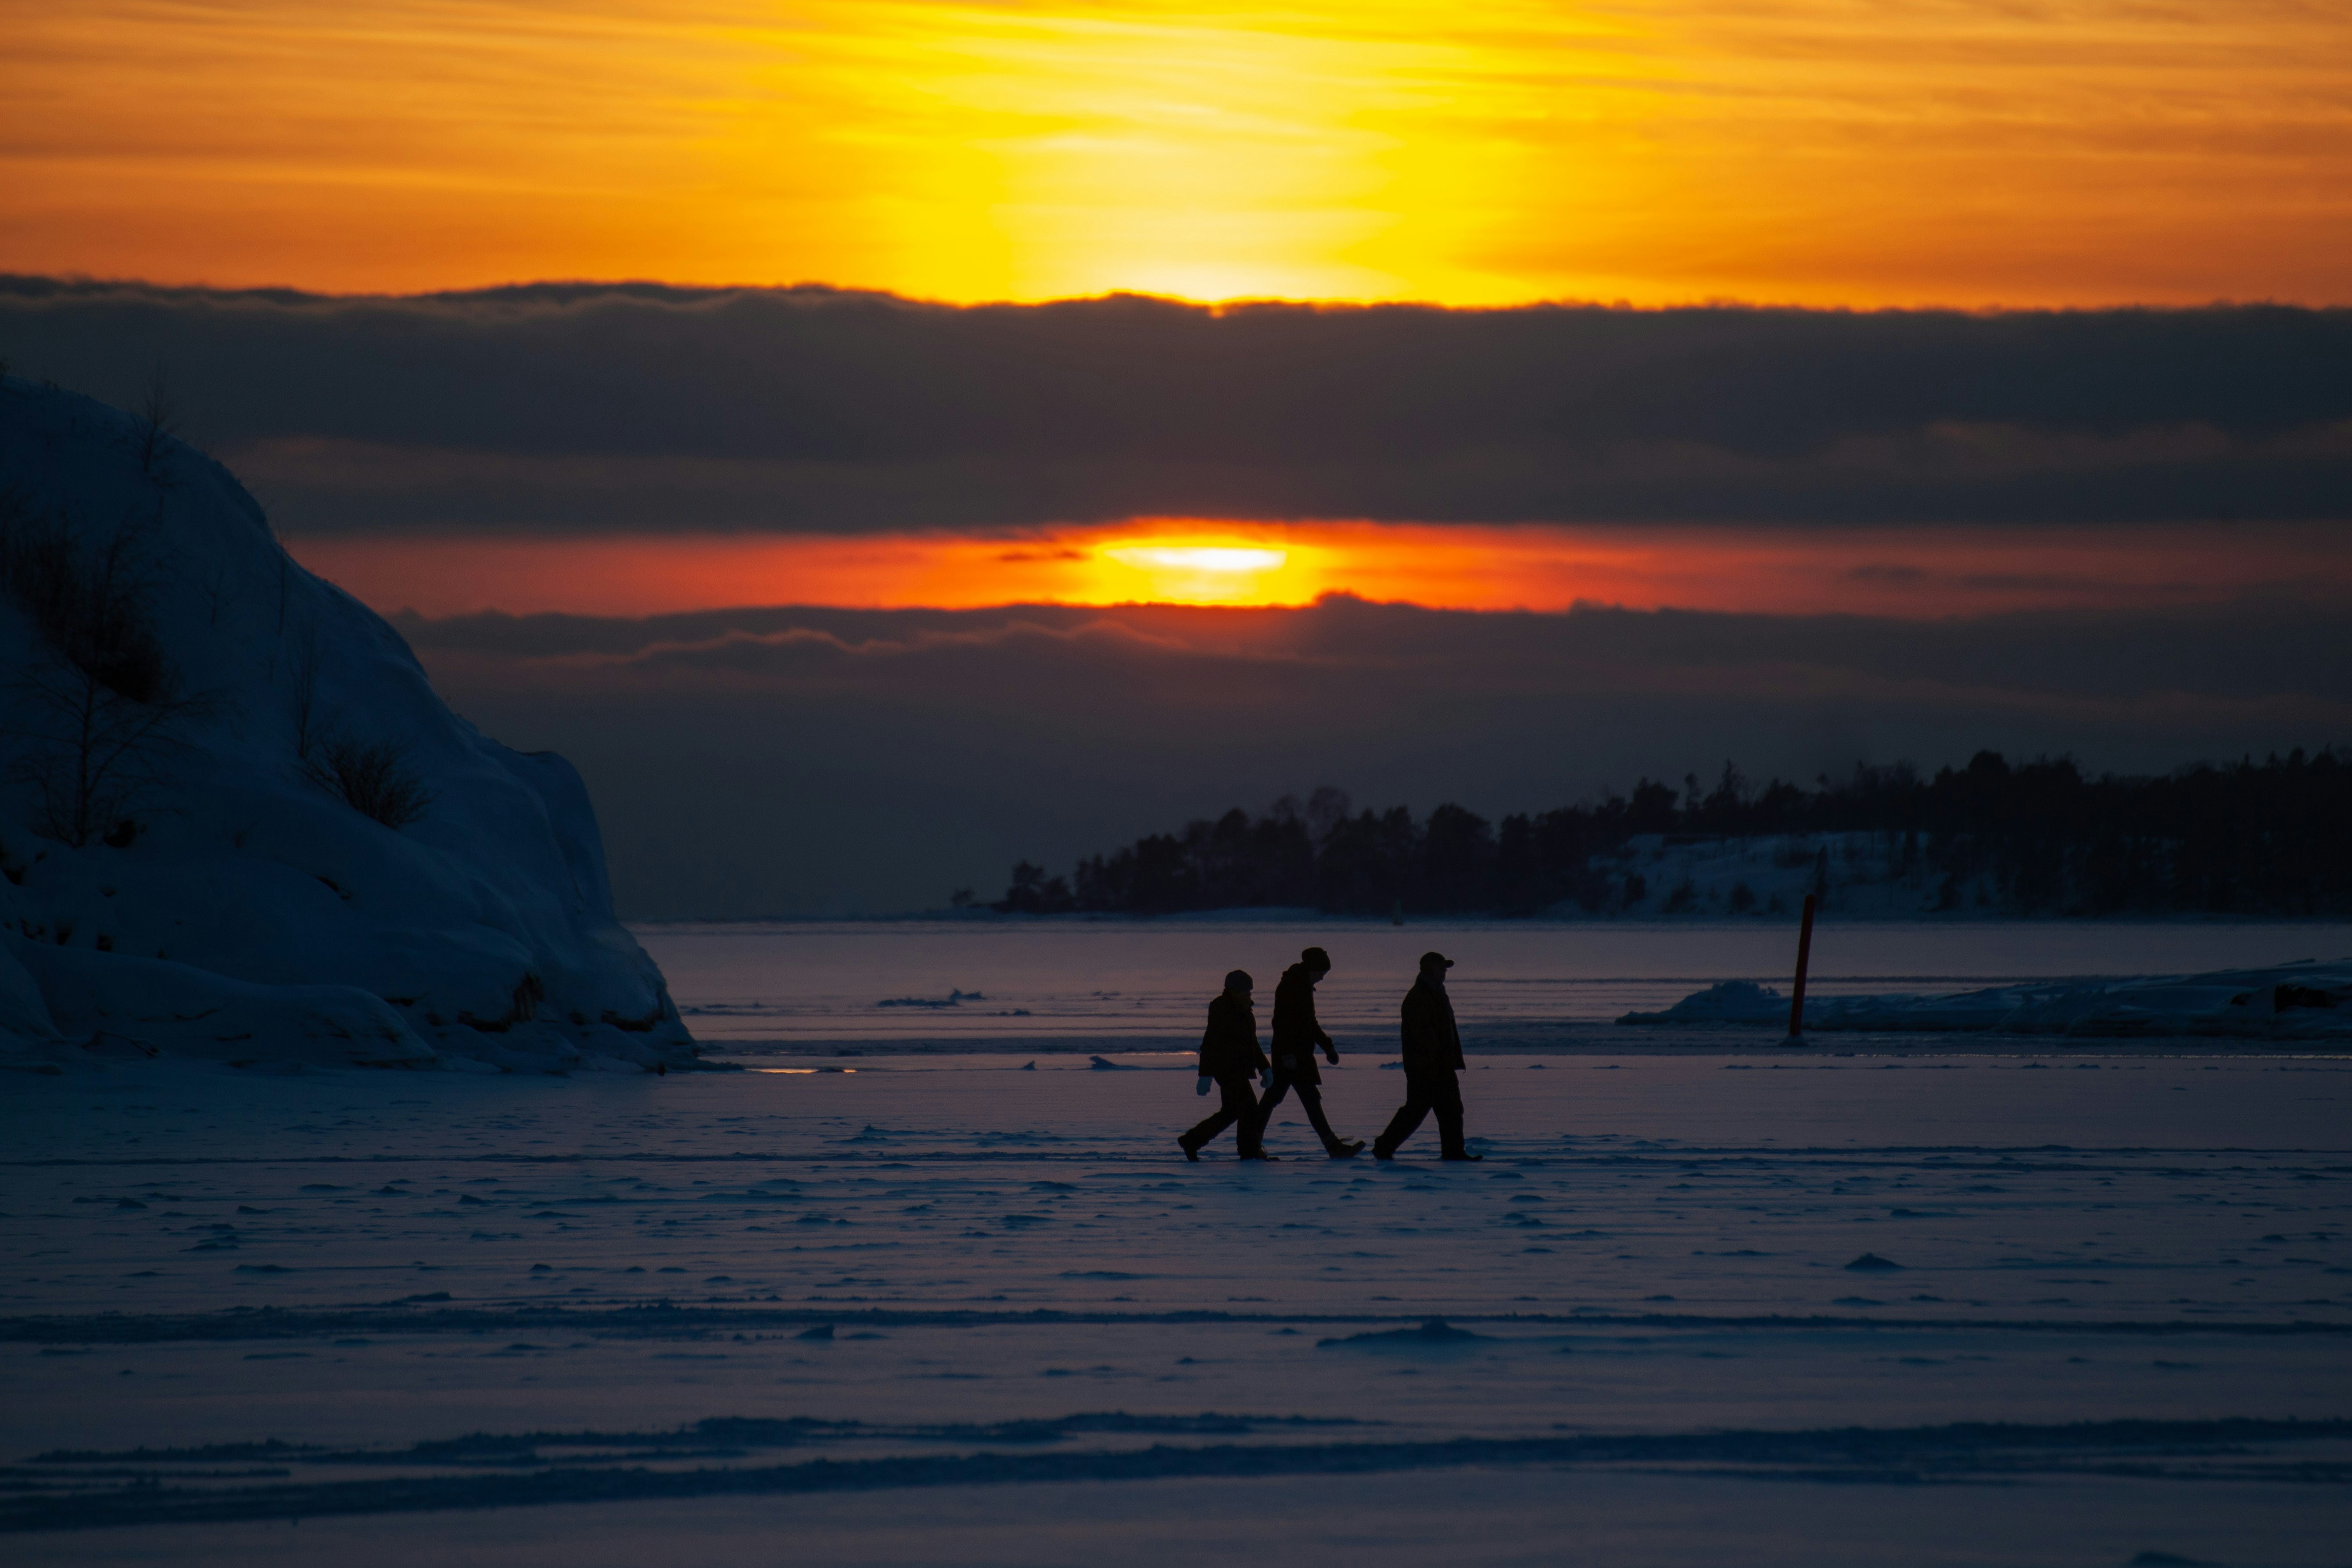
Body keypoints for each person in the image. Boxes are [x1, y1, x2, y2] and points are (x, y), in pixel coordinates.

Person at [1257, 946, 1365, 1159]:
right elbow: (1282, 1023)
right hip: (1292, 1056)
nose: (1322, 979)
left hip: (1297, 1055)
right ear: (1313, 969)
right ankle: (1332, 1147)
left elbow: (1308, 1023)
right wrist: (1288, 1054)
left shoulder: (1300, 986)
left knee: (1284, 1099)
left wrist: (1327, 1046)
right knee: (1296, 1099)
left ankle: (1251, 1143)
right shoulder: (1292, 987)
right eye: (1322, 974)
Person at [1372, 951, 1480, 1162]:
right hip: (1426, 1067)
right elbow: (1422, 1035)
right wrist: (1437, 1058)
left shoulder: (1437, 994)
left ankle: (1453, 1152)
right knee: (1417, 1111)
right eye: (1442, 968)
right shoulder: (1419, 997)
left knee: (1450, 1109)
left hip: (1439, 1065)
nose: (1445, 973)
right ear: (1430, 969)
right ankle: (1384, 1146)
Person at [1179, 968, 1274, 1161]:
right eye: (1245, 991)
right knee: (1249, 1110)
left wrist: (1264, 1068)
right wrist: (1205, 1076)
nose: (1249, 994)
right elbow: (1210, 1044)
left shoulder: (1246, 1010)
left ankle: (1192, 1140)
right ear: (1233, 991)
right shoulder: (1222, 1008)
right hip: (1227, 1069)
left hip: (1240, 1069)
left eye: (1250, 991)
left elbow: (1252, 1043)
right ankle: (1249, 1153)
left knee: (1232, 1112)